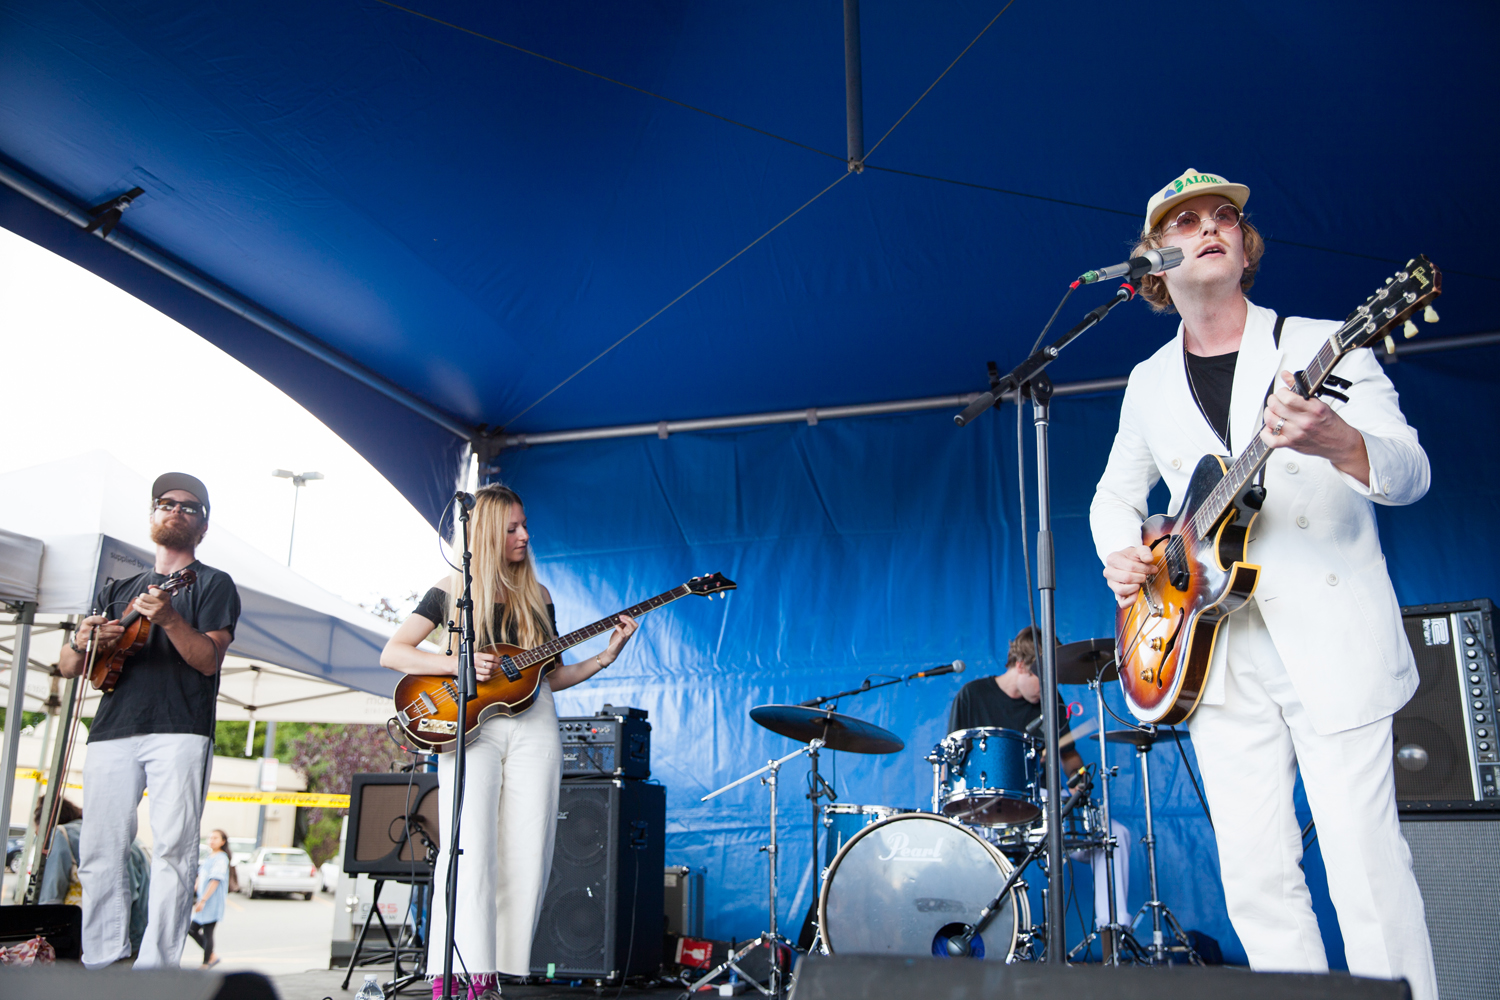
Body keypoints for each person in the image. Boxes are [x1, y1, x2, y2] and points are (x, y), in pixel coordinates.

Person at [1090, 169, 1436, 997]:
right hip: (1213, 654)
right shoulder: (1146, 383)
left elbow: (1410, 470)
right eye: (1183, 221)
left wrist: (1337, 440)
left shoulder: (1323, 342)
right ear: (1154, 267)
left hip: (1331, 643)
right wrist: (1123, 554)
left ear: (1245, 248)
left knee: (1366, 871)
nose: (1208, 225)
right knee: (1255, 880)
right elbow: (1113, 498)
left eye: (1224, 217)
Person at [380, 484, 638, 999]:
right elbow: (395, 652)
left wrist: (605, 658)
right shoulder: (451, 591)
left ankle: (493, 972)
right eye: (512, 527)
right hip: (469, 723)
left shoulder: (538, 597)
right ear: (485, 533)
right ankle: (454, 974)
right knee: (469, 846)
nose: (524, 535)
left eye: (525, 525)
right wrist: (454, 662)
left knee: (529, 847)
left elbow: (551, 677)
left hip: (535, 722)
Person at [58, 472, 240, 969]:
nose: (176, 510)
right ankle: (103, 960)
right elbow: (71, 667)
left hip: (180, 728)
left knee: (174, 852)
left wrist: (171, 620)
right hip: (113, 728)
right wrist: (83, 638)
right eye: (166, 503)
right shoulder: (117, 588)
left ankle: (156, 969)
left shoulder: (213, 584)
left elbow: (208, 660)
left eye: (190, 506)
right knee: (99, 849)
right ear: (153, 516)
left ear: (203, 527)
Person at [947, 626, 1130, 954]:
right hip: (985, 809)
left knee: (1114, 836)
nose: (1049, 689)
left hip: (1042, 806)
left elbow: (1070, 758)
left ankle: (1111, 943)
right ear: (1020, 664)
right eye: (1042, 680)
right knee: (959, 854)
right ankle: (974, 944)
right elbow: (954, 763)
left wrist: (1080, 779)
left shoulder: (1051, 700)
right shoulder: (972, 696)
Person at [34, 797, 151, 956]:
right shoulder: (131, 839)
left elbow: (51, 900)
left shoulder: (60, 835)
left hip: (92, 942)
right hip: (138, 938)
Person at [188, 829, 230, 968]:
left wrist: (203, 900)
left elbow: (215, 881)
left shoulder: (221, 858)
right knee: (192, 929)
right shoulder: (210, 856)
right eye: (210, 838)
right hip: (204, 900)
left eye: (215, 838)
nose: (212, 840)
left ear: (223, 842)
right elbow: (201, 877)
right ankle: (211, 956)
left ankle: (206, 962)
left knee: (207, 932)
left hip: (212, 902)